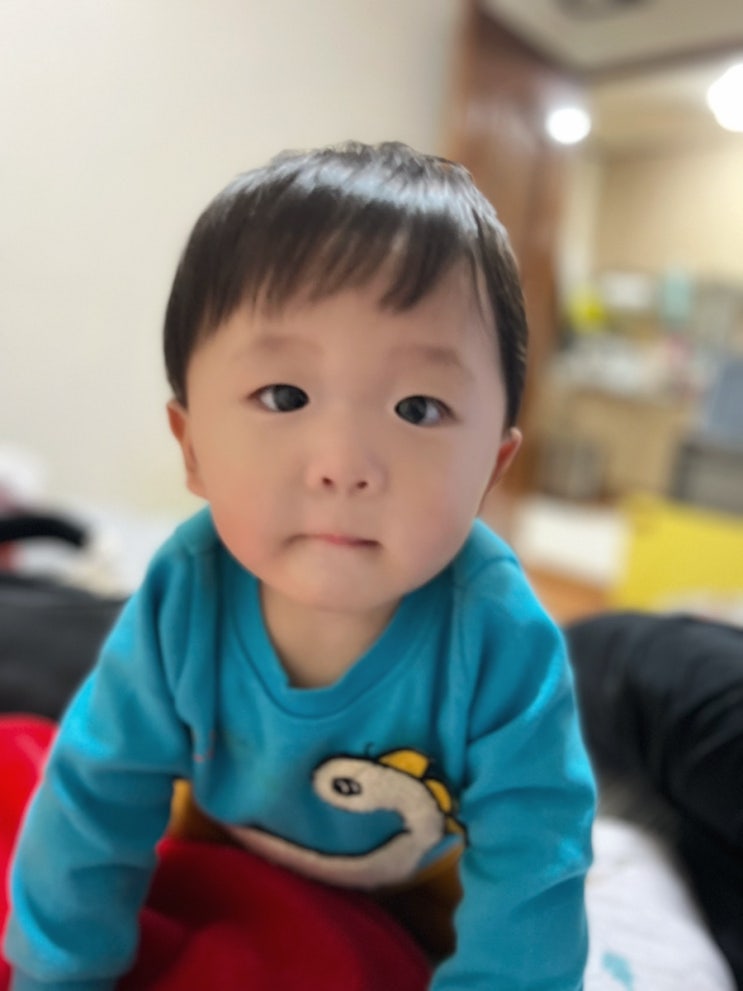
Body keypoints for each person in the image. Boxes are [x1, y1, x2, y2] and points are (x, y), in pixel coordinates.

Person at [3, 141, 595, 990]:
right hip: (219, 829)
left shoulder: (499, 635)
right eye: (284, 396)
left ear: (492, 468)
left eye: (418, 407)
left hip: (423, 882)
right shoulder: (188, 591)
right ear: (192, 447)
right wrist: (57, 975)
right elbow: (96, 796)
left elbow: (534, 870)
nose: (343, 464)